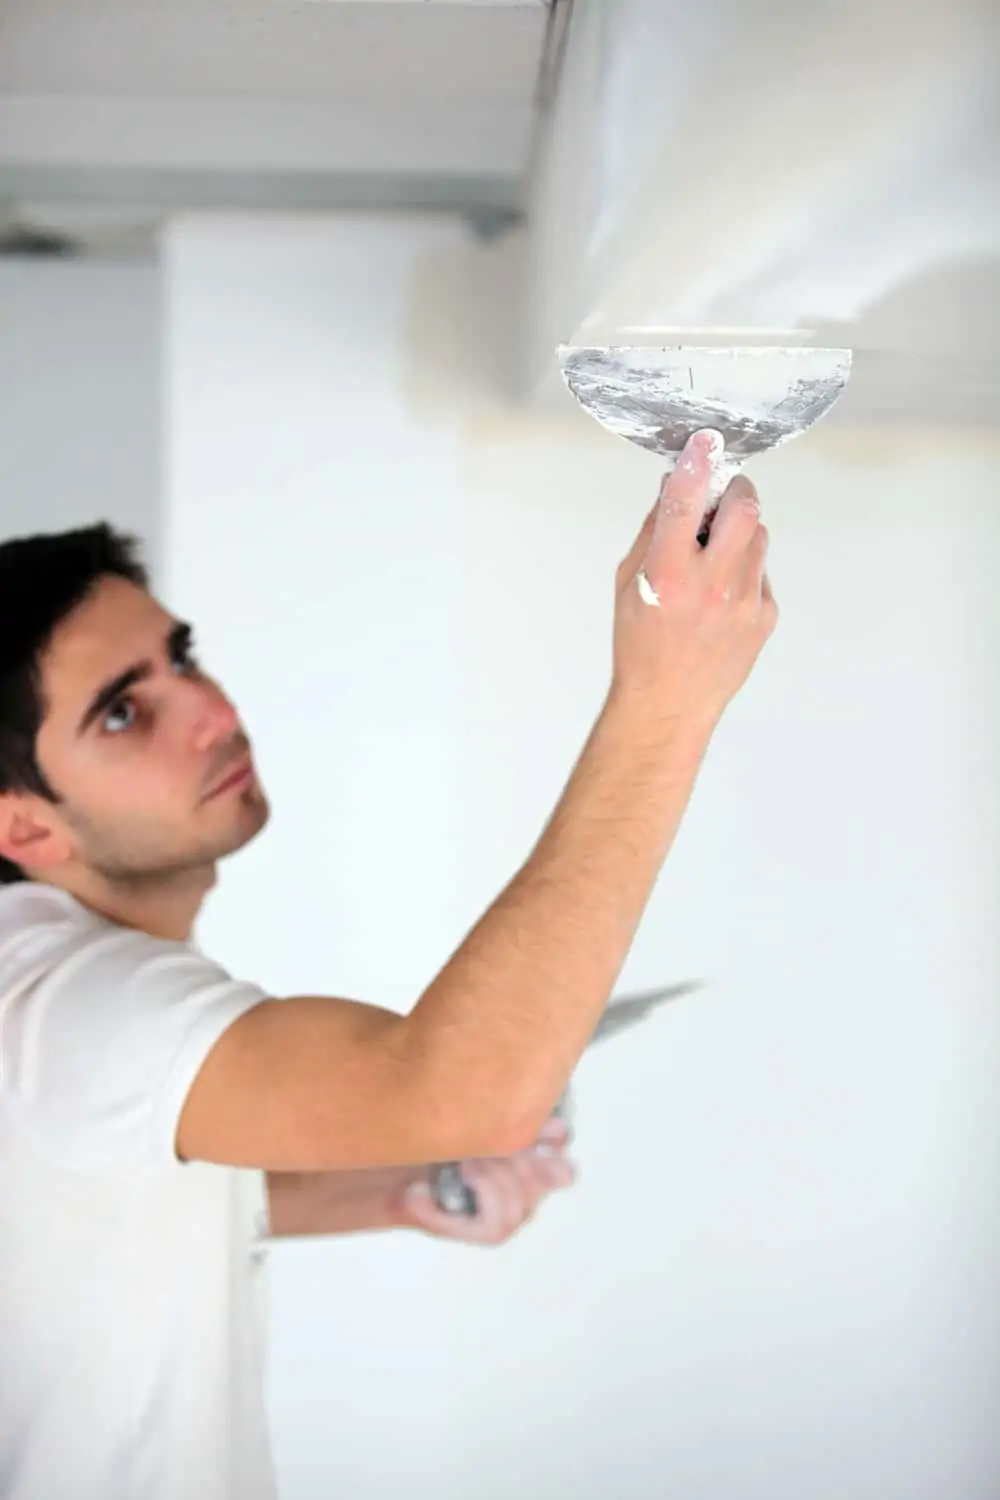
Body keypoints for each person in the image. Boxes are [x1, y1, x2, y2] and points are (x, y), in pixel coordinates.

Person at [0, 429, 776, 1500]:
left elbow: (100, 1201)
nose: (213, 711)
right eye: (125, 712)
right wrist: (666, 701)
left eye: (183, 659)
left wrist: (392, 1186)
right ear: (22, 826)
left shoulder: (45, 1000)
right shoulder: (73, 1007)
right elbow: (466, 1094)